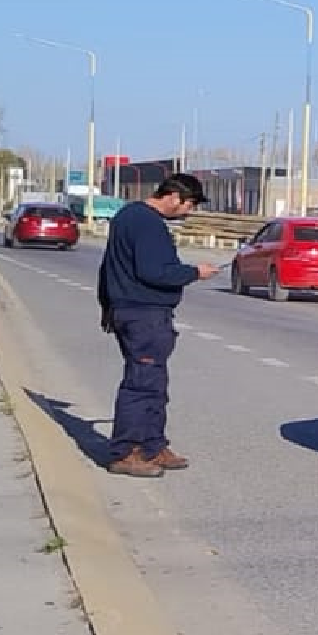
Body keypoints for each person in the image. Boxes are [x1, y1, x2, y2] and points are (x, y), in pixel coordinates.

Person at [97, 174, 219, 478]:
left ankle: (152, 445)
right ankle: (126, 452)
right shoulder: (148, 223)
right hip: (144, 315)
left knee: (154, 383)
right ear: (174, 197)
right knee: (141, 384)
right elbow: (155, 272)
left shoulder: (128, 215)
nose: (188, 211)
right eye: (189, 204)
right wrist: (194, 272)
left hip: (135, 312)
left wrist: (108, 307)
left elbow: (108, 267)